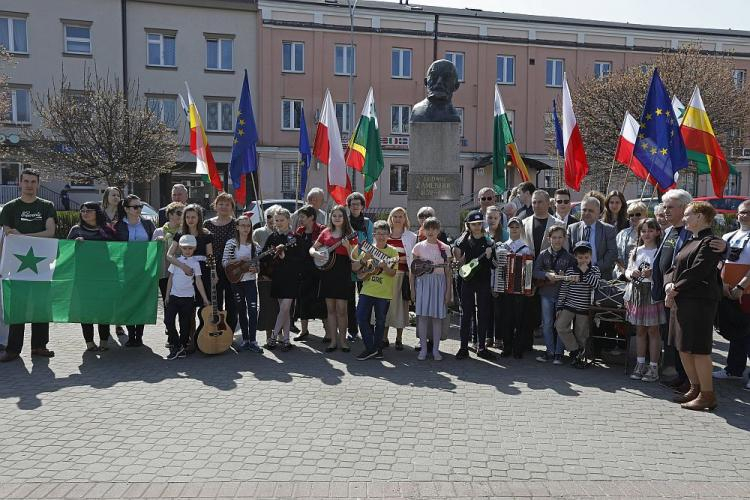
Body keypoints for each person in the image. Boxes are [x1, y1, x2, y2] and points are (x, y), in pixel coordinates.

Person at [651, 190, 726, 392]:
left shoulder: (694, 235)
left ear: (686, 209)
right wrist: (667, 284)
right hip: (670, 295)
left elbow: (699, 266)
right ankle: (683, 377)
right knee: (675, 341)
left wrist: (674, 287)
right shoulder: (669, 231)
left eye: (670, 207)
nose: (665, 211)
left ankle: (695, 385)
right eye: (664, 207)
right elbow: (670, 265)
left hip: (689, 298)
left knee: (689, 344)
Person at [665, 201, 723, 411]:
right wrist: (669, 283)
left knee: (698, 349)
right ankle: (695, 387)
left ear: (700, 216)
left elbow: (699, 271)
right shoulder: (691, 240)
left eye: (688, 214)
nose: (685, 218)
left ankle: (707, 395)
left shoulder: (710, 242)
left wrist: (675, 288)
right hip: (683, 301)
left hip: (699, 302)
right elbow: (674, 267)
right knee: (683, 347)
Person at [0, 169, 57, 362]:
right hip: (16, 266)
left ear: (38, 184)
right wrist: (19, 236)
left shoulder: (47, 206)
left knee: (41, 306)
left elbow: (50, 232)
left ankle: (40, 346)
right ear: (20, 183)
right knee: (18, 307)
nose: (30, 185)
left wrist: (23, 237)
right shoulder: (9, 208)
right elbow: (8, 233)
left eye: (33, 182)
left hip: (42, 265)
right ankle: (13, 349)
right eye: (26, 181)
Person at [67, 202, 116, 352]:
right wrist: (74, 245)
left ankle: (104, 341)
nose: (85, 213)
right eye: (82, 211)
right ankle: (89, 342)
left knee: (104, 309)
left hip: (104, 276)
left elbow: (117, 250)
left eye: (89, 210)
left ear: (97, 212)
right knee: (86, 309)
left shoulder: (107, 229)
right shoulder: (76, 230)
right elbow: (65, 252)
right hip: (84, 277)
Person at [310, 205, 358, 352]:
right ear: (331, 217)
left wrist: (348, 246)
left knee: (342, 309)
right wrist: (316, 254)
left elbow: (355, 258)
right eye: (334, 215)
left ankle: (343, 341)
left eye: (340, 216)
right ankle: (333, 341)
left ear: (345, 218)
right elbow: (312, 248)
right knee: (330, 309)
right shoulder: (325, 232)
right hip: (328, 273)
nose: (337, 218)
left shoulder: (350, 234)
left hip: (342, 272)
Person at [713, 199, 750, 390]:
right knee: (737, 333)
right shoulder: (728, 236)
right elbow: (720, 263)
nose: (744, 215)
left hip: (746, 294)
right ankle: (734, 369)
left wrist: (741, 287)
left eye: (748, 212)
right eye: (741, 212)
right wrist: (724, 284)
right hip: (728, 292)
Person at [625, 218, 665, 382]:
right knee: (640, 330)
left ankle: (653, 366)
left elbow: (664, 273)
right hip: (636, 292)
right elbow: (628, 271)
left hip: (652, 293)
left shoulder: (660, 251)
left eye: (650, 230)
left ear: (657, 232)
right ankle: (640, 363)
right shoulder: (636, 251)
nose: (646, 234)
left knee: (653, 331)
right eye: (643, 231)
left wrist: (652, 274)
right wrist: (631, 273)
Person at [114, 194, 157, 347]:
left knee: (141, 302)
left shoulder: (147, 224)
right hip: (125, 270)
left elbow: (155, 241)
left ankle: (139, 336)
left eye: (140, 206)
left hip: (144, 269)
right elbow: (113, 247)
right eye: (135, 206)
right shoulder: (118, 226)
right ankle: (131, 335)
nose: (139, 209)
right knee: (129, 302)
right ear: (126, 209)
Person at [453, 210, 494, 360]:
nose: (477, 227)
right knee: (466, 314)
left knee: (483, 314)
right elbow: (456, 253)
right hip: (467, 281)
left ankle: (481, 347)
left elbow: (494, 265)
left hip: (483, 281)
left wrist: (489, 256)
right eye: (473, 224)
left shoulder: (488, 241)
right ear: (468, 225)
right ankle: (463, 347)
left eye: (479, 224)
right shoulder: (464, 239)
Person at [410, 217, 453, 361]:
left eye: (434, 228)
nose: (431, 231)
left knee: (437, 318)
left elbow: (448, 273)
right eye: (428, 228)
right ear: (423, 229)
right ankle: (423, 348)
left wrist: (448, 291)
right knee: (422, 317)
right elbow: (413, 271)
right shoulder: (418, 247)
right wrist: (412, 289)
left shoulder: (445, 248)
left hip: (439, 284)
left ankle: (435, 349)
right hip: (423, 283)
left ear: (438, 230)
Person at [355, 220, 398, 360]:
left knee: (380, 322)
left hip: (383, 293)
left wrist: (385, 267)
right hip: (367, 290)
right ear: (373, 234)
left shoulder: (393, 252)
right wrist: (363, 260)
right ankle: (371, 347)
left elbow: (393, 273)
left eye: (383, 234)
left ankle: (377, 349)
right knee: (361, 317)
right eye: (378, 233)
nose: (380, 236)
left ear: (388, 235)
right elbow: (358, 272)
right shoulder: (369, 249)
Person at [262, 208, 304, 351]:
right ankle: (286, 340)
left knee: (285, 307)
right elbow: (263, 255)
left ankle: (273, 337)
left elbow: (301, 259)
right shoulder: (272, 237)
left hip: (292, 277)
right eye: (277, 220)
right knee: (283, 310)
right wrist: (270, 255)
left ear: (289, 220)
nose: (279, 223)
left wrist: (286, 257)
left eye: (282, 220)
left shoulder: (295, 237)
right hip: (277, 277)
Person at [555, 241, 601, 368]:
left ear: (591, 257)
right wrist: (560, 306)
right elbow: (564, 289)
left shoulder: (594, 270)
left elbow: (596, 284)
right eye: (580, 258)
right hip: (569, 305)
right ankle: (574, 350)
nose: (583, 260)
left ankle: (580, 356)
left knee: (581, 334)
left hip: (584, 308)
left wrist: (585, 271)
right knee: (560, 325)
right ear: (575, 257)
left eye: (586, 257)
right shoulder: (570, 270)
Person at [532, 225, 575, 364]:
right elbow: (534, 272)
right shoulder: (543, 254)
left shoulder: (569, 257)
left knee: (561, 325)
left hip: (563, 295)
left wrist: (564, 276)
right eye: (554, 237)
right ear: (549, 238)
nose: (557, 240)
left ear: (564, 238)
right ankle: (550, 351)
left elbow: (573, 276)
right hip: (546, 294)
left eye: (560, 237)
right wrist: (546, 275)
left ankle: (559, 353)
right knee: (547, 324)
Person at [164, 235, 210, 360]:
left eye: (190, 248)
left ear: (194, 248)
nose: (187, 250)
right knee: (168, 321)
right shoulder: (176, 261)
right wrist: (167, 295)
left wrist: (205, 299)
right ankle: (177, 346)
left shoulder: (195, 264)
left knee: (185, 325)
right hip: (174, 297)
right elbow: (170, 279)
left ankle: (182, 347)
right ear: (180, 248)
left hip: (188, 298)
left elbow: (198, 281)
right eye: (185, 248)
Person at [492, 217, 532, 359]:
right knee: (505, 318)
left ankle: (518, 348)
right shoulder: (502, 247)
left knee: (519, 319)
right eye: (511, 227)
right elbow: (496, 269)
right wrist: (495, 286)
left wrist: (527, 287)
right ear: (507, 229)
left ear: (521, 229)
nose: (514, 230)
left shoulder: (525, 248)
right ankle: (507, 346)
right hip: (504, 289)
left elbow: (528, 270)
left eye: (517, 227)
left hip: (519, 290)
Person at [223, 215, 263, 353]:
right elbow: (224, 262)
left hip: (250, 282)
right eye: (243, 225)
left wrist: (255, 268)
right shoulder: (231, 244)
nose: (246, 228)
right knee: (241, 309)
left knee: (253, 310)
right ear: (237, 227)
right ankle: (245, 339)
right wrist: (237, 262)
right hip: (236, 281)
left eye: (248, 226)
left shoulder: (255, 246)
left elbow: (258, 267)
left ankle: (253, 340)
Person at [204, 193, 238, 333]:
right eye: (221, 204)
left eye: (227, 204)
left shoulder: (235, 223)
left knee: (232, 301)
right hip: (212, 266)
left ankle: (229, 332)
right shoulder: (207, 224)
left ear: (232, 207)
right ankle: (216, 330)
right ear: (215, 205)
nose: (223, 207)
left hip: (231, 266)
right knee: (215, 300)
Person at [382, 207, 416, 350]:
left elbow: (413, 259)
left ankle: (399, 338)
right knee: (386, 307)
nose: (397, 219)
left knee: (401, 308)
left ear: (405, 218)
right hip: (387, 276)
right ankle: (384, 338)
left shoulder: (411, 236)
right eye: (395, 216)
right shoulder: (384, 234)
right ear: (391, 218)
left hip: (402, 277)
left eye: (400, 216)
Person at [293, 205, 327, 341]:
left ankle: (328, 332)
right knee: (302, 301)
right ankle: (304, 330)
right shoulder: (299, 232)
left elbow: (327, 248)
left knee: (322, 302)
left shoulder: (322, 231)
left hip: (319, 273)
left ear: (311, 217)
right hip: (303, 272)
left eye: (302, 217)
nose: (300, 219)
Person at [567, 196, 617, 280]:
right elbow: (569, 252)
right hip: (578, 278)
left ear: (598, 213)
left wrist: (593, 270)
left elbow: (612, 254)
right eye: (584, 210)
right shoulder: (572, 228)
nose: (587, 213)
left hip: (601, 276)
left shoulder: (608, 230)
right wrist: (579, 268)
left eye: (590, 211)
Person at [346, 192, 373, 342]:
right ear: (349, 206)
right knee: (350, 299)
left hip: (364, 265)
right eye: (352, 204)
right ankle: (352, 330)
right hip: (348, 265)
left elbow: (370, 243)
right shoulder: (345, 222)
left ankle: (366, 329)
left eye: (358, 204)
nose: (355, 206)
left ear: (362, 206)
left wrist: (362, 262)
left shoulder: (368, 223)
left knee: (365, 298)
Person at [254, 205, 281, 345]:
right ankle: (269, 335)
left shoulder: (283, 234)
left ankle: (281, 334)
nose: (272, 220)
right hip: (264, 276)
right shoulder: (258, 232)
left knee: (280, 307)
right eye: (269, 217)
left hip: (280, 275)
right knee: (267, 306)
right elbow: (253, 254)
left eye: (275, 217)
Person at [615, 202, 647, 277]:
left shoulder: (652, 232)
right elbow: (616, 255)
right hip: (624, 275)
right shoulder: (622, 234)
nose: (634, 217)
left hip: (645, 274)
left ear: (645, 215)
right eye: (631, 215)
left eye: (638, 214)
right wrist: (625, 273)